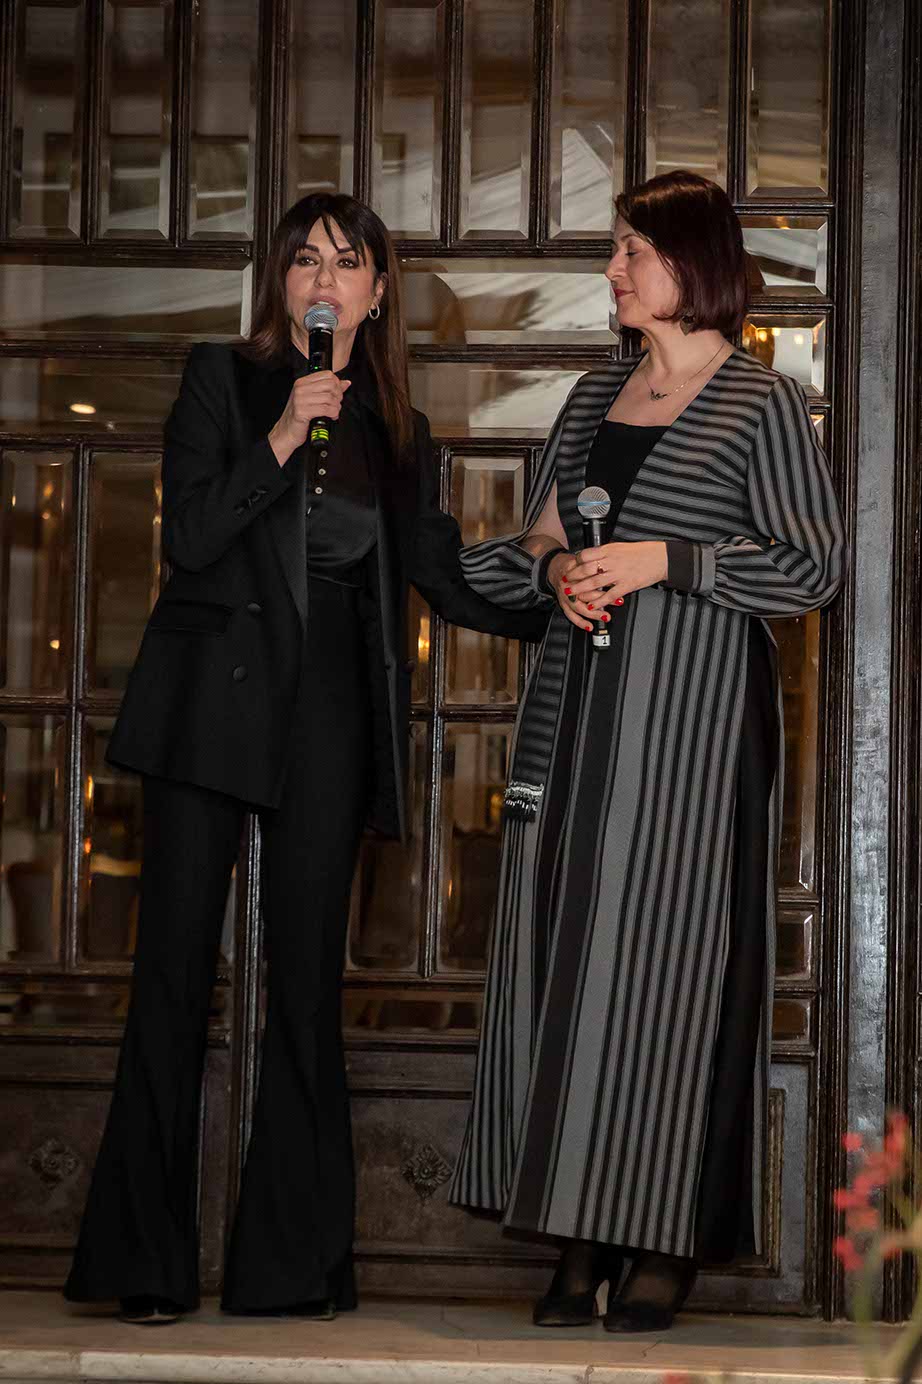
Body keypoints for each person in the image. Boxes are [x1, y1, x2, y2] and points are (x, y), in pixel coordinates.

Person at [63, 193, 547, 1325]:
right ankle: (144, 1263)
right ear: (280, 282)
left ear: (377, 294)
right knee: (172, 974)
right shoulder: (219, 380)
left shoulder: (400, 434)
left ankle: (290, 1266)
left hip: (327, 708)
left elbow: (441, 576)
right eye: (305, 261)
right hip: (211, 699)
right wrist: (282, 433)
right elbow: (189, 536)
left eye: (347, 263)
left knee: (307, 989)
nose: (324, 280)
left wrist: (555, 595)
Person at [449, 170, 847, 1333]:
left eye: (630, 249)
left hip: (692, 729)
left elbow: (812, 566)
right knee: (570, 959)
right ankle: (577, 1233)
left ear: (690, 262)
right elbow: (532, 540)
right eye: (613, 249)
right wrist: (556, 573)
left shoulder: (761, 402)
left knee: (672, 971)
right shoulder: (592, 397)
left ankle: (661, 1239)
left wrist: (668, 560)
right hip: (575, 713)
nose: (612, 270)